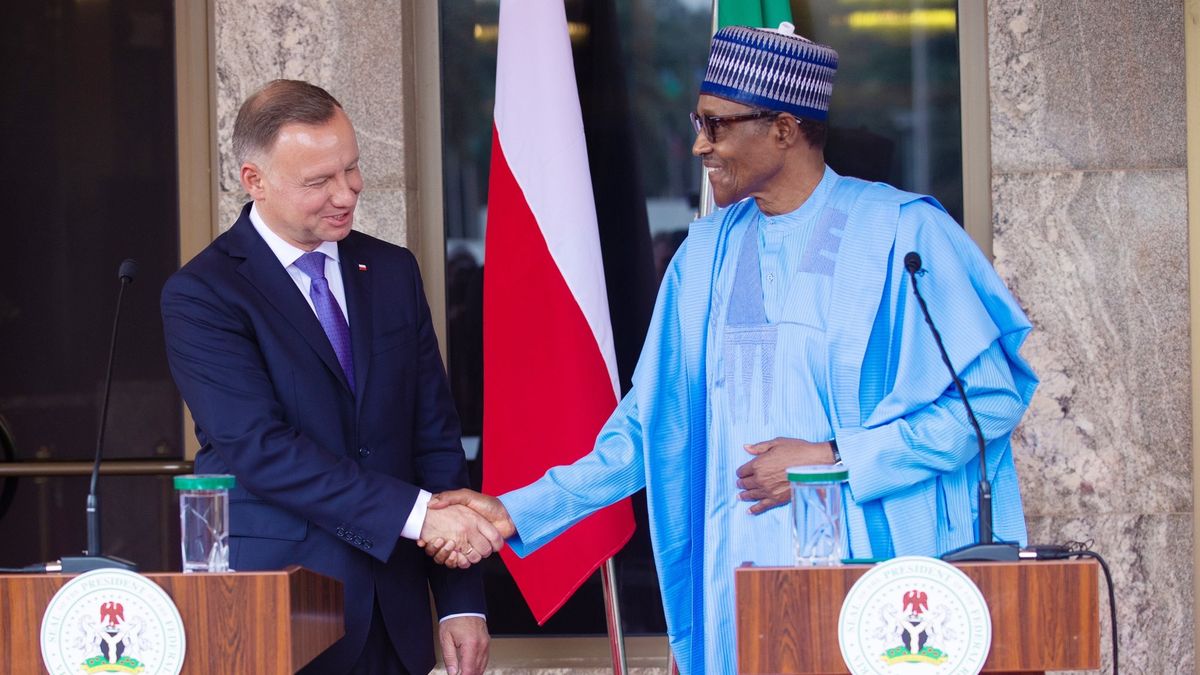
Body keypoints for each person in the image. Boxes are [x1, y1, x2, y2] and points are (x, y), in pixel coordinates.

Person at [427, 23, 1038, 675]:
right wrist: (516, 508)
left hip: (873, 587)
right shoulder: (706, 254)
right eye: (699, 122)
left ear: (782, 127)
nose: (698, 145)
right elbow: (647, 425)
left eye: (716, 126)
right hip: (737, 586)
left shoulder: (902, 235)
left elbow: (991, 399)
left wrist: (836, 458)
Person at [161, 80, 500, 675]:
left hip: (396, 614)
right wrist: (420, 517)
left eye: (352, 169)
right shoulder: (203, 294)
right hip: (279, 611)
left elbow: (435, 439)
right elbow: (260, 449)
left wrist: (458, 603)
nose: (346, 193)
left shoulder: (392, 270)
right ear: (254, 180)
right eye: (319, 182)